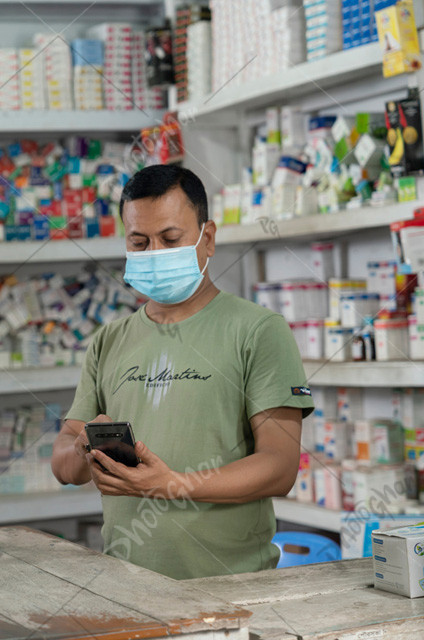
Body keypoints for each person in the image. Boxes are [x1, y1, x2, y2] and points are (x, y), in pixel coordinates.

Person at [51, 164, 314, 580]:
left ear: (207, 238)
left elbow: (279, 466)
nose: (154, 253)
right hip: (125, 586)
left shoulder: (258, 331)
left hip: (232, 588)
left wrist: (172, 484)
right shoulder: (110, 340)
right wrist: (85, 448)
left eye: (170, 239)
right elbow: (64, 463)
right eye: (139, 242)